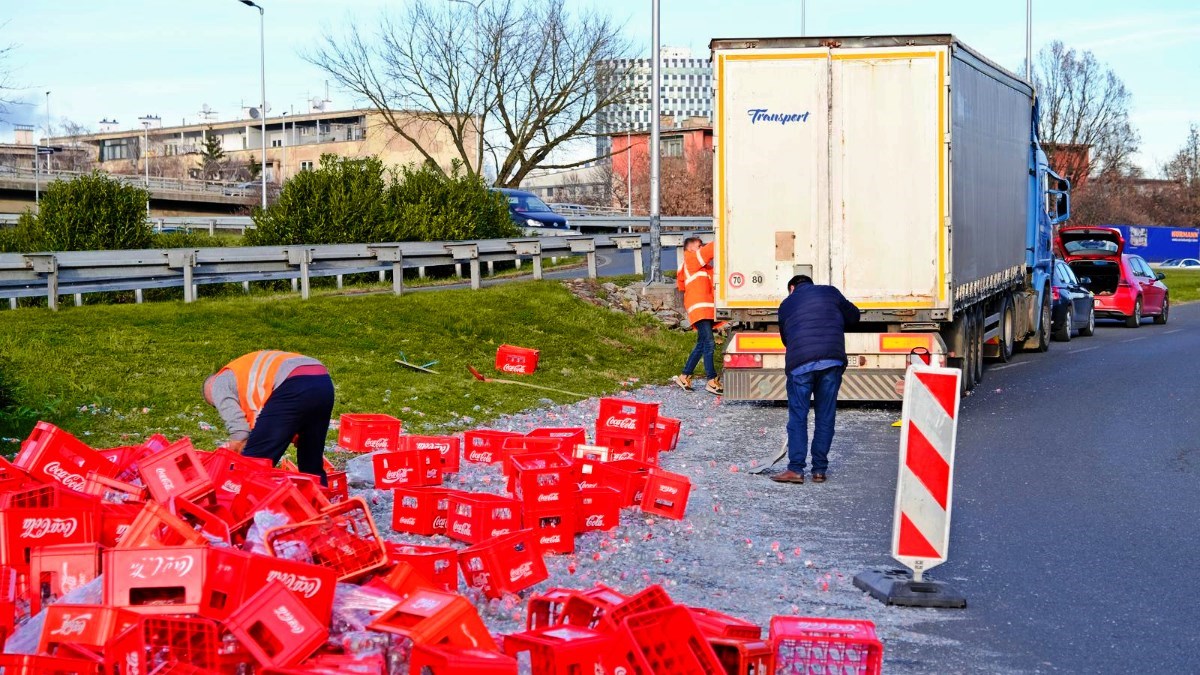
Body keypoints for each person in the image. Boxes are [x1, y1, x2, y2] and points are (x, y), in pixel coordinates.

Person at [771, 275, 860, 484]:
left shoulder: (786, 304)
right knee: (825, 416)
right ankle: (819, 470)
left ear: (792, 288)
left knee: (798, 417)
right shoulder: (831, 291)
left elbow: (785, 339)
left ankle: (795, 469)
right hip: (831, 361)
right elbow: (854, 316)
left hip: (801, 364)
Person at [203, 350, 335, 484]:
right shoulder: (244, 375)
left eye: (216, 405)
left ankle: (244, 503)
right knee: (311, 466)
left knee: (252, 466)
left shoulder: (218, 385)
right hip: (322, 381)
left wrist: (228, 466)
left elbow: (240, 433)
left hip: (292, 383)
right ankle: (320, 501)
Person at [672, 237, 723, 395]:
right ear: (690, 249)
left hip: (704, 309)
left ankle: (684, 376)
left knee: (702, 344)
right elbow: (711, 250)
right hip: (700, 309)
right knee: (709, 343)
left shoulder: (701, 267)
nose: (702, 248)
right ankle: (711, 380)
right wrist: (723, 236)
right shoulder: (691, 260)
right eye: (699, 246)